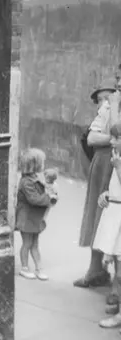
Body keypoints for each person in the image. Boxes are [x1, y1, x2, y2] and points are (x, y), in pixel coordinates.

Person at [74, 78, 121, 311]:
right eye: (119, 79)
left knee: (117, 222)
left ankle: (116, 285)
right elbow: (92, 138)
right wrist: (113, 140)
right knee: (97, 214)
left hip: (116, 164)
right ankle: (96, 270)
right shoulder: (109, 105)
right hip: (104, 163)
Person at [91, 121, 121, 330]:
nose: (111, 140)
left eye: (116, 138)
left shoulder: (117, 161)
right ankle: (119, 306)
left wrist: (118, 166)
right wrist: (106, 195)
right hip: (115, 213)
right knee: (118, 268)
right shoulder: (116, 157)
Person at [15, 148, 58, 281]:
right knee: (27, 243)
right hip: (27, 218)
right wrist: (49, 198)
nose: (43, 164)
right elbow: (33, 199)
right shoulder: (26, 182)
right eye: (42, 162)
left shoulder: (34, 178)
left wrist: (51, 190)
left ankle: (39, 268)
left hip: (34, 218)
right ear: (35, 165)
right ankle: (24, 268)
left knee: (34, 244)